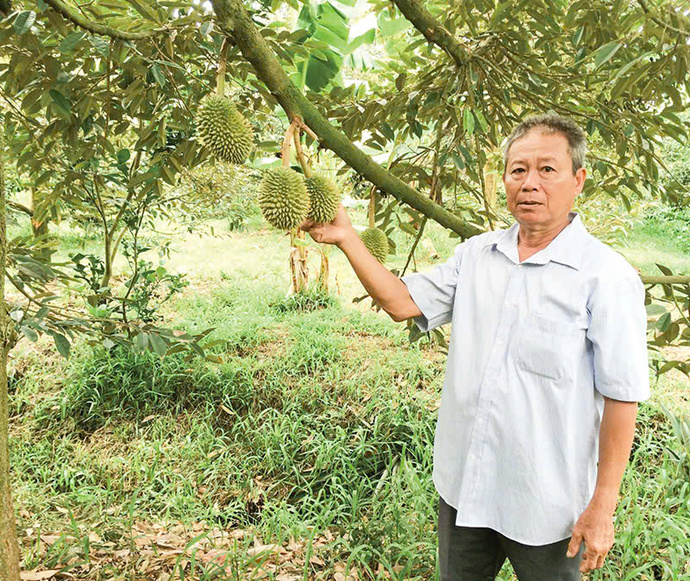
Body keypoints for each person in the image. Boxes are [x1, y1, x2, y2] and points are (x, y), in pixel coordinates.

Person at [300, 113, 649, 580]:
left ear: (578, 180)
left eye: (547, 169)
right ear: (504, 179)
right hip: (465, 484)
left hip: (547, 503)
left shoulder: (606, 277)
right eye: (518, 170)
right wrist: (346, 236)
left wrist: (603, 506)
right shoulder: (477, 255)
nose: (530, 183)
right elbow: (401, 302)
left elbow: (622, 395)